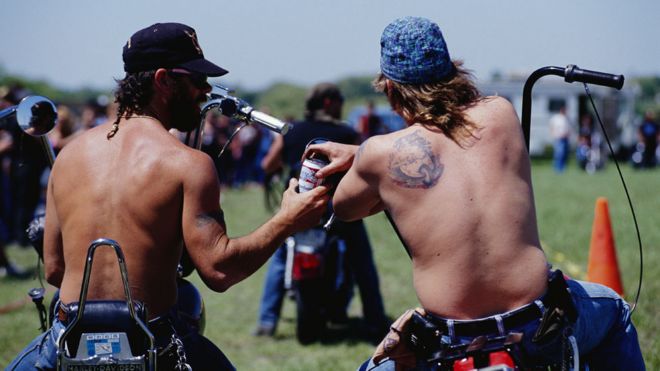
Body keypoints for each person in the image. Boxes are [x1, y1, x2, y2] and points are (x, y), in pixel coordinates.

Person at [305, 17, 644, 370]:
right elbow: (451, 142)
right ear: (453, 71)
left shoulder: (377, 155)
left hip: (452, 341)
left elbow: (344, 208)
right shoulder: (501, 113)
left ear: (390, 89)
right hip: (538, 325)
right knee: (614, 310)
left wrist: (362, 158)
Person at [8, 22, 328, 370]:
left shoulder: (68, 157)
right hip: (152, 344)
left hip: (68, 339)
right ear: (163, 80)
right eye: (196, 79)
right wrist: (287, 220)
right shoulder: (188, 164)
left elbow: (55, 270)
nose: (206, 90)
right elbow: (219, 271)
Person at [254, 83, 389, 341]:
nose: (342, 105)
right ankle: (375, 321)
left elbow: (267, 163)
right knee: (362, 263)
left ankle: (266, 322)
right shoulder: (345, 133)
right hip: (335, 210)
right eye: (339, 100)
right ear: (328, 102)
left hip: (298, 205)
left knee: (280, 259)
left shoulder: (292, 131)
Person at [549, 105, 572, 173]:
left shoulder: (566, 118)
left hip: (565, 138)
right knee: (559, 153)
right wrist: (554, 134)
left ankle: (562, 168)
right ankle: (557, 168)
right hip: (558, 138)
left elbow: (569, 128)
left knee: (564, 154)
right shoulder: (556, 118)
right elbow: (552, 126)